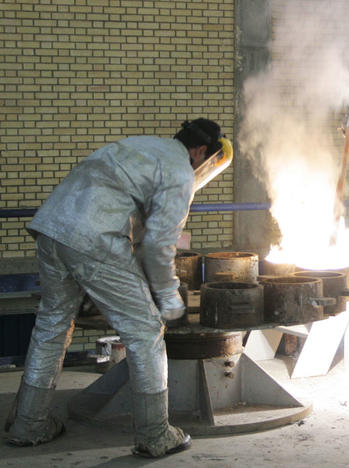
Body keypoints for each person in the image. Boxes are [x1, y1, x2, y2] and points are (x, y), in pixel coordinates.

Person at [4, 119, 232, 457]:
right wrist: (168, 297)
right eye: (207, 161)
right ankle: (156, 435)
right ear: (200, 152)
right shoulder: (180, 171)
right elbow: (158, 244)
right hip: (94, 239)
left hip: (52, 230)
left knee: (52, 326)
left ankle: (28, 424)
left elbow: (135, 225)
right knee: (146, 329)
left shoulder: (142, 147)